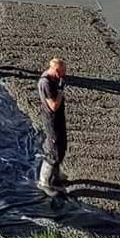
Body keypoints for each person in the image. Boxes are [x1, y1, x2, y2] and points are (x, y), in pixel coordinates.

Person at [35, 56, 68, 195]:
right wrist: (60, 91)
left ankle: (55, 175)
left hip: (59, 118)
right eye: (62, 72)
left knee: (62, 145)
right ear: (55, 71)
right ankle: (44, 181)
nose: (64, 75)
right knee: (53, 149)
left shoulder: (55, 78)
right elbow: (53, 106)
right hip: (51, 119)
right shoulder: (45, 83)